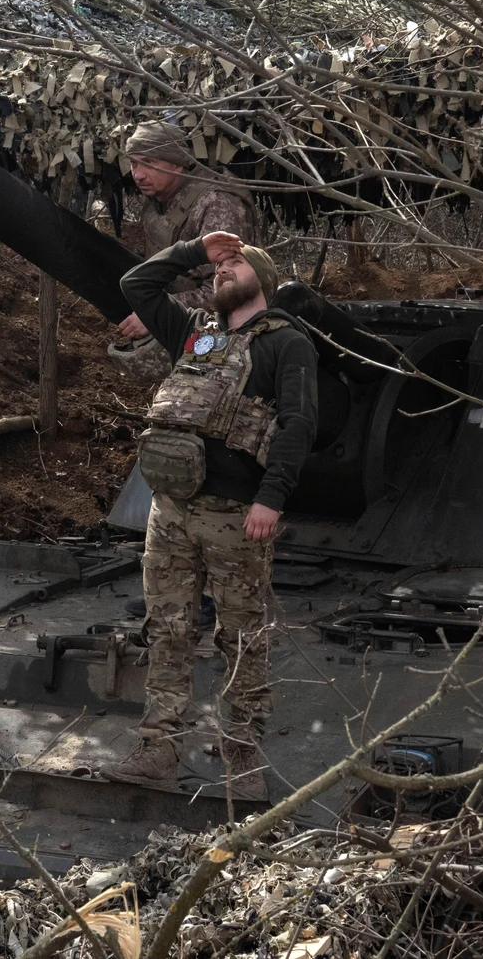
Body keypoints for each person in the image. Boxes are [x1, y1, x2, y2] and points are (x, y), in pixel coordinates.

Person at [101, 230, 318, 802]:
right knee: (167, 631)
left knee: (241, 636)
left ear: (264, 280)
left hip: (236, 515)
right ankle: (157, 751)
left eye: (236, 266)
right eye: (220, 269)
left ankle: (242, 756)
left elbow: (298, 425)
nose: (224, 273)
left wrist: (272, 498)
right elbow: (135, 284)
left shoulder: (286, 344)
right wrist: (198, 250)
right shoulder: (196, 335)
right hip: (171, 511)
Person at [115, 122, 258, 343]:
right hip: (180, 326)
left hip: (224, 337)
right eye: (133, 163)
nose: (138, 175)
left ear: (178, 164)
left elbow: (228, 290)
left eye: (149, 163)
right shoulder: (159, 200)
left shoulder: (217, 204)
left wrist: (156, 312)